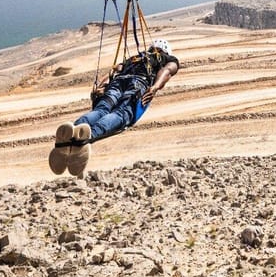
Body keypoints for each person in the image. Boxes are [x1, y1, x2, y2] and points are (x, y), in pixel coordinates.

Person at [49, 39, 180, 176]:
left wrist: (101, 86)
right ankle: (87, 137)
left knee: (101, 110)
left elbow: (114, 71)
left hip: (117, 83)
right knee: (121, 114)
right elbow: (167, 71)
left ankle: (75, 128)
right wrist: (155, 87)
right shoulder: (168, 59)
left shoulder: (135, 58)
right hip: (138, 83)